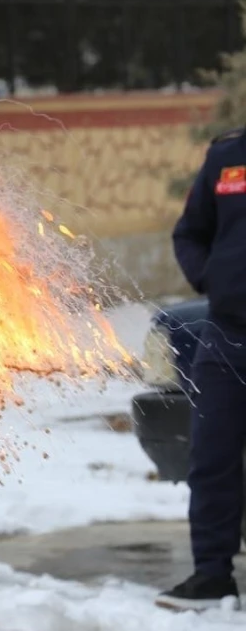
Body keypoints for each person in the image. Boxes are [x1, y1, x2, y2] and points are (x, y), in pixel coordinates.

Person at [162, 126, 246, 611]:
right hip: (227, 334)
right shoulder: (227, 157)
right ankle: (212, 575)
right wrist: (209, 276)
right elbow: (190, 232)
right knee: (211, 458)